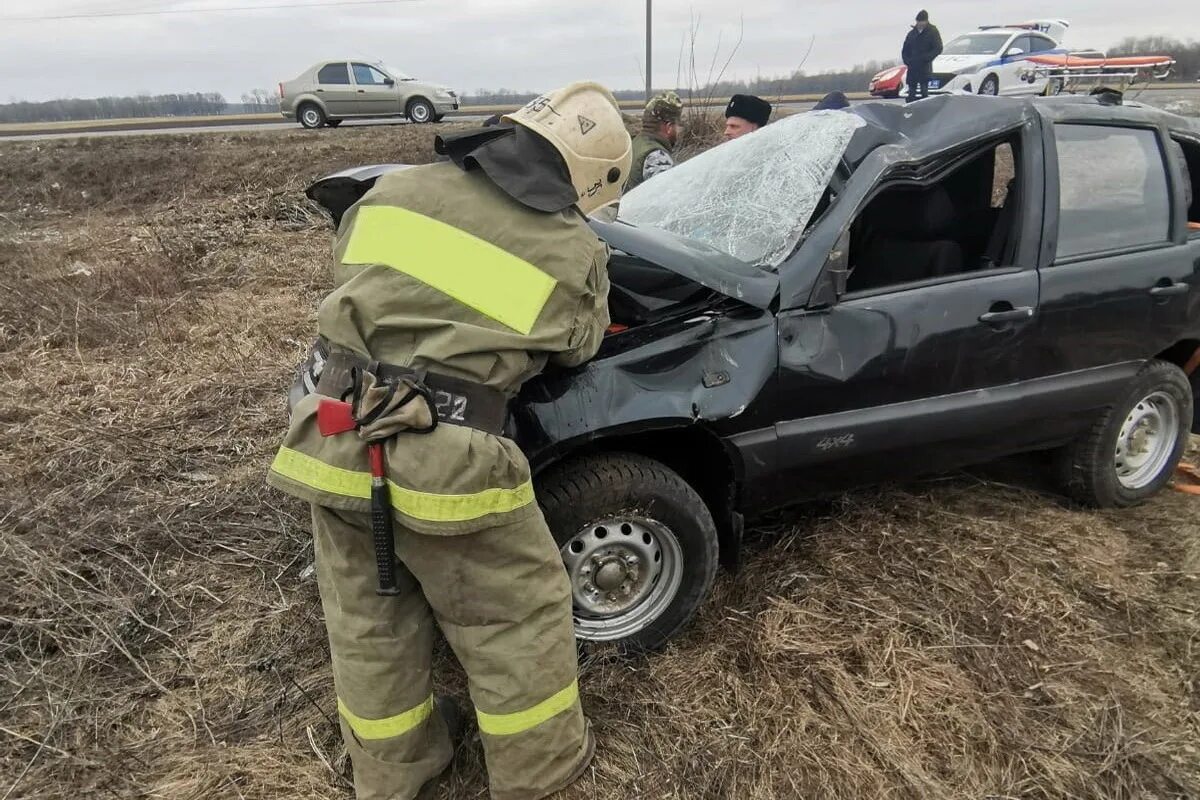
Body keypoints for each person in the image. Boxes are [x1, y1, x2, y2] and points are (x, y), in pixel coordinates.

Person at [268, 81, 632, 800]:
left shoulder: (390, 194)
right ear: (589, 178)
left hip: (336, 434)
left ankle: (395, 774)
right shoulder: (569, 248)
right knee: (513, 619)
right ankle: (541, 771)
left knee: (369, 620)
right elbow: (577, 347)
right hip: (449, 461)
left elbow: (361, 280)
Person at [626, 90, 683, 192]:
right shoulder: (657, 156)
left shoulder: (637, 142)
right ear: (669, 127)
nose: (678, 130)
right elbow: (669, 200)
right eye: (677, 125)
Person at [902, 10, 943, 103]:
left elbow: (938, 48)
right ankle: (910, 110)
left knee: (924, 91)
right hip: (912, 67)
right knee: (911, 92)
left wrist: (927, 58)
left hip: (924, 67)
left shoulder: (932, 31)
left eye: (921, 21)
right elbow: (905, 49)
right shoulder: (912, 33)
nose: (919, 23)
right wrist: (907, 61)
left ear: (926, 21)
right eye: (917, 21)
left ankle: (925, 110)